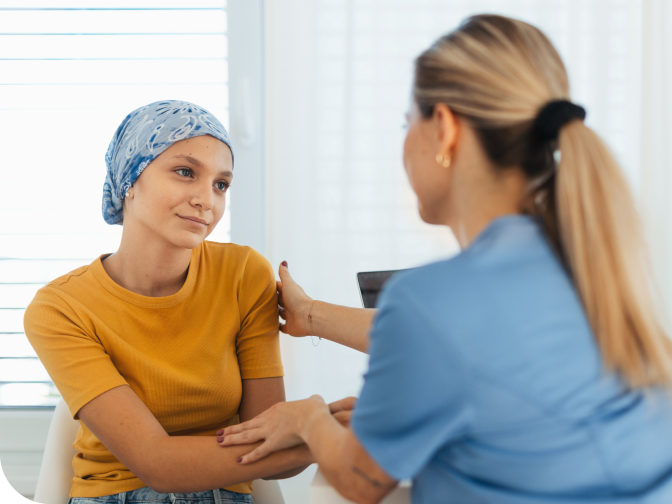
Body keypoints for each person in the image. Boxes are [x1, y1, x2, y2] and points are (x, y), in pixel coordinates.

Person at [217, 15, 672, 504]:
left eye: (406, 123)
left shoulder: (431, 302)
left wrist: (308, 416)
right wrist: (311, 316)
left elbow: (361, 479)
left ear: (447, 130)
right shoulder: (597, 268)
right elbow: (478, 348)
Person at [23, 100, 314, 503]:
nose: (206, 200)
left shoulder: (243, 274)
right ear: (130, 179)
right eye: (185, 172)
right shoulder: (61, 308)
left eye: (221, 184)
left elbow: (277, 449)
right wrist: (317, 433)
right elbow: (157, 464)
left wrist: (314, 431)